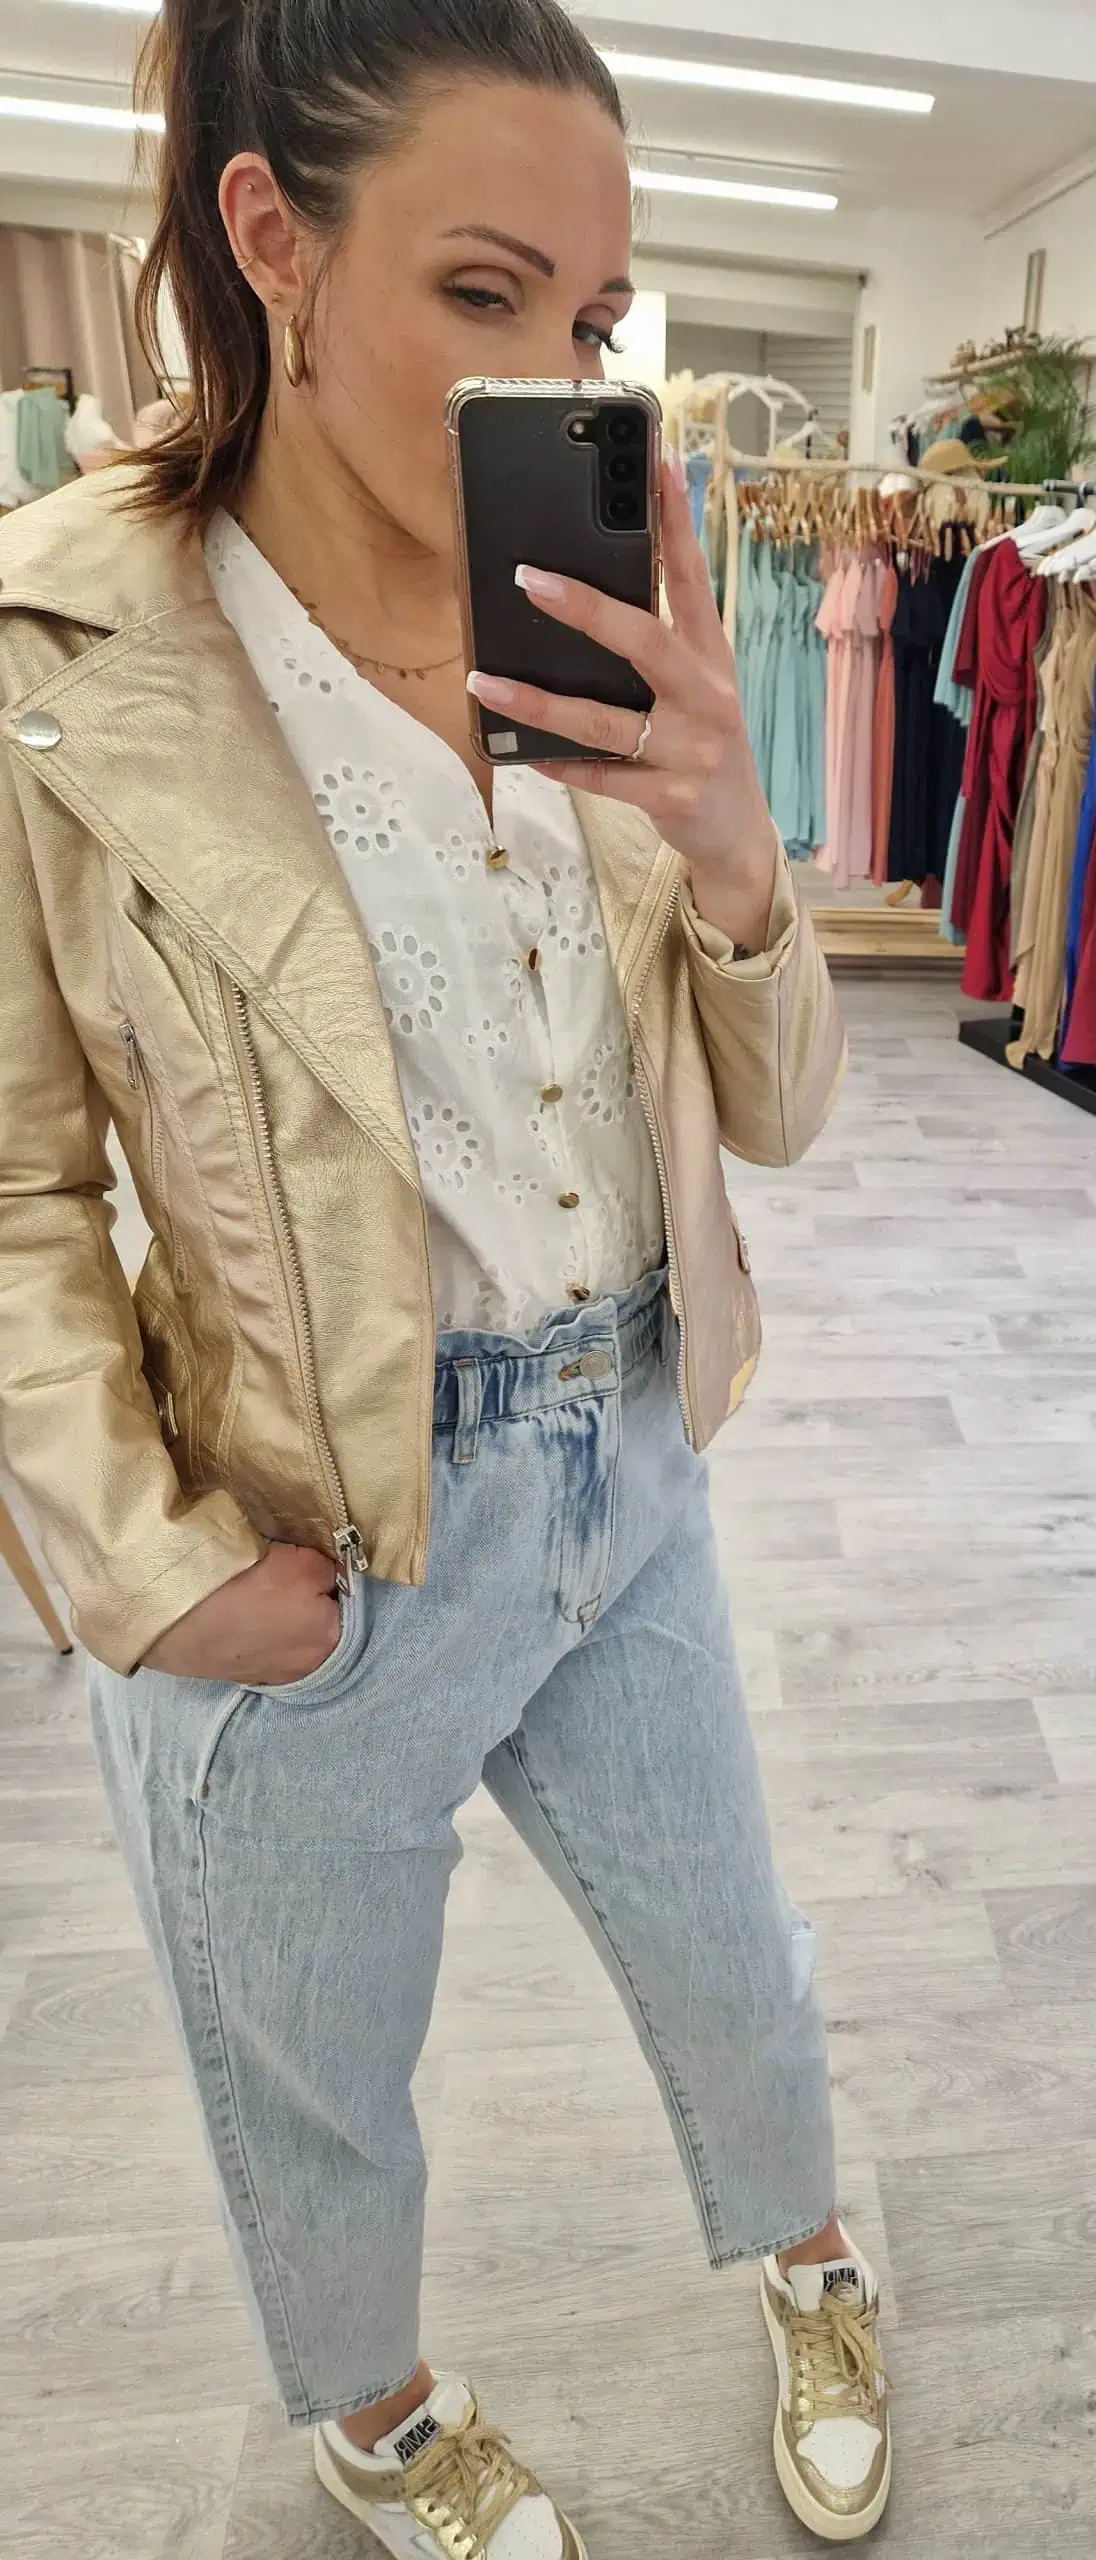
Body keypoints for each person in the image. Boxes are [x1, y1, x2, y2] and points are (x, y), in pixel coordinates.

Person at [0, 2, 891, 2551]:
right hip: (309, 1542)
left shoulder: (610, 608)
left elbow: (780, 1115)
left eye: (589, 321)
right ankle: (374, 2410)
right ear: (270, 238)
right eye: (481, 291)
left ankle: (810, 2250)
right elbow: (13, 1191)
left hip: (628, 1458)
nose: (552, 379)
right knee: (314, 2070)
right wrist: (146, 1569)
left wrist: (735, 849)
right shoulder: (63, 653)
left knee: (734, 1954)